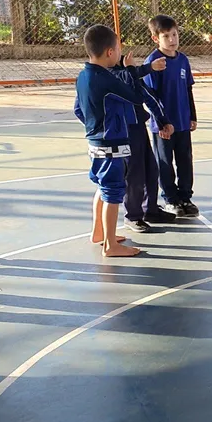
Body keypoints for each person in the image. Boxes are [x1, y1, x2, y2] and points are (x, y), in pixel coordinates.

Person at [74, 25, 144, 257]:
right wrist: (132, 70)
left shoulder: (83, 76)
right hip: (111, 143)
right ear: (109, 52)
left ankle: (99, 231)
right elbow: (136, 97)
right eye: (118, 48)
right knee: (113, 191)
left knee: (102, 187)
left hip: (95, 140)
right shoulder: (105, 78)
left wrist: (94, 125)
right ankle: (110, 245)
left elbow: (78, 109)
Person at [110, 53, 175, 233]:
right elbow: (123, 77)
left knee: (150, 169)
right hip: (124, 132)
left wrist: (163, 120)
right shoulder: (108, 75)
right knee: (134, 174)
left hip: (139, 128)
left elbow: (148, 97)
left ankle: (150, 210)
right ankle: (133, 216)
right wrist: (147, 68)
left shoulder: (128, 71)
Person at [144, 14, 199, 218]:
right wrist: (161, 123)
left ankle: (185, 196)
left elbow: (188, 89)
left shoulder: (183, 60)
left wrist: (192, 115)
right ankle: (170, 199)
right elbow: (150, 97)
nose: (172, 39)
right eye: (166, 36)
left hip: (183, 122)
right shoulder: (153, 63)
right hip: (164, 125)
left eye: (174, 34)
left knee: (185, 160)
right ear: (156, 38)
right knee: (165, 162)